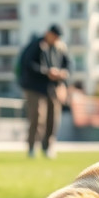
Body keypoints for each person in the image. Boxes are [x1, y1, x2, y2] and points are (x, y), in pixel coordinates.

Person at [18, 24, 70, 158]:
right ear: (48, 33)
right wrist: (46, 72)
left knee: (53, 118)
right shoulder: (36, 45)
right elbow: (28, 65)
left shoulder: (59, 48)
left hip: (52, 87)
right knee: (37, 116)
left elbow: (67, 66)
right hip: (34, 87)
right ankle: (32, 147)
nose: (55, 39)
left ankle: (48, 147)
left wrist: (63, 80)